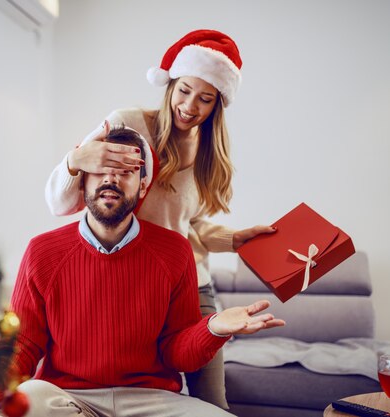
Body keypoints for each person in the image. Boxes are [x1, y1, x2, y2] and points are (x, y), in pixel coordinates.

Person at [44, 29, 274, 409]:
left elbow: (189, 223)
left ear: (218, 104)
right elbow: (63, 201)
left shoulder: (208, 151)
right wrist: (75, 160)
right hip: (132, 277)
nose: (190, 106)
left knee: (214, 400)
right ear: (170, 84)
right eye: (184, 90)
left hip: (189, 281)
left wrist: (235, 239)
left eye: (205, 98)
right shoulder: (127, 124)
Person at [5, 127, 285, 417]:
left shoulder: (174, 250)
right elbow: (23, 345)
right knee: (29, 399)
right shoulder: (42, 251)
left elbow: (176, 352)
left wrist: (214, 328)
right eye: (101, 169)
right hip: (67, 396)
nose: (111, 178)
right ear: (83, 181)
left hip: (151, 399)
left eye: (126, 171)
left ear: (142, 186)